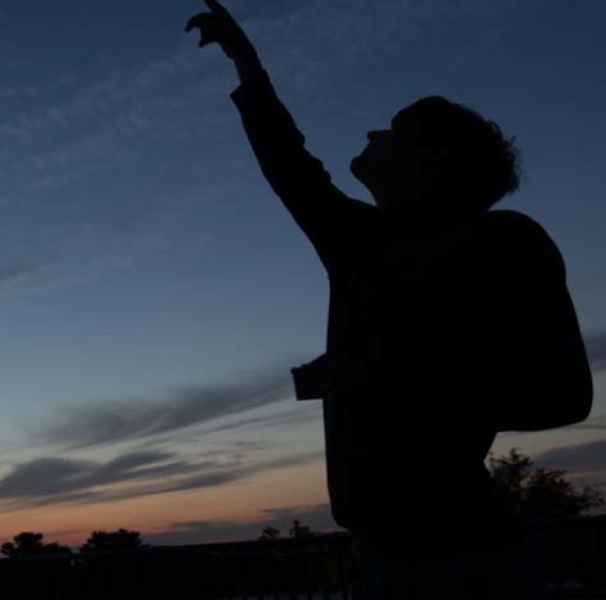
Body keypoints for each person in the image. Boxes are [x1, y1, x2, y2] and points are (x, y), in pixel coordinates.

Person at [184, 2, 593, 598]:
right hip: (382, 557)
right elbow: (290, 166)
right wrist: (247, 64)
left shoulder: (504, 240)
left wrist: (372, 375)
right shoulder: (359, 242)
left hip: (467, 559)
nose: (373, 133)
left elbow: (562, 396)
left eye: (394, 129)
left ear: (433, 161)